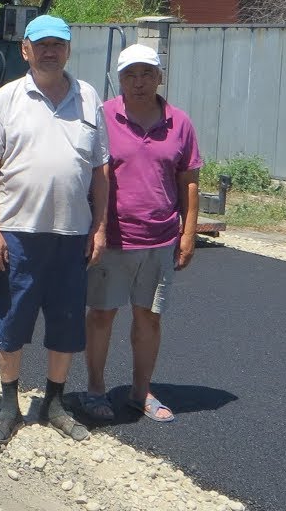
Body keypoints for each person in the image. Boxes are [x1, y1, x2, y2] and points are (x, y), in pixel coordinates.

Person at [0, 13, 111, 449]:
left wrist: (100, 228)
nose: (51, 51)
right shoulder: (6, 99)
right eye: (42, 44)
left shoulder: (89, 98)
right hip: (18, 234)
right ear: (25, 50)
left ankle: (53, 402)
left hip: (72, 235)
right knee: (11, 323)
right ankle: (9, 406)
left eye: (58, 44)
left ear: (68, 50)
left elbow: (101, 170)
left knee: (67, 324)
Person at [79, 44, 202, 425]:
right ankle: (96, 389)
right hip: (112, 239)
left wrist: (189, 234)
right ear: (119, 79)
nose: (139, 82)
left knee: (149, 318)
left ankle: (140, 391)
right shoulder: (103, 117)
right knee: (101, 315)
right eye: (130, 75)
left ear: (159, 77)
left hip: (160, 239)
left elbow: (190, 183)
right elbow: (89, 175)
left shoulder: (179, 122)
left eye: (147, 74)